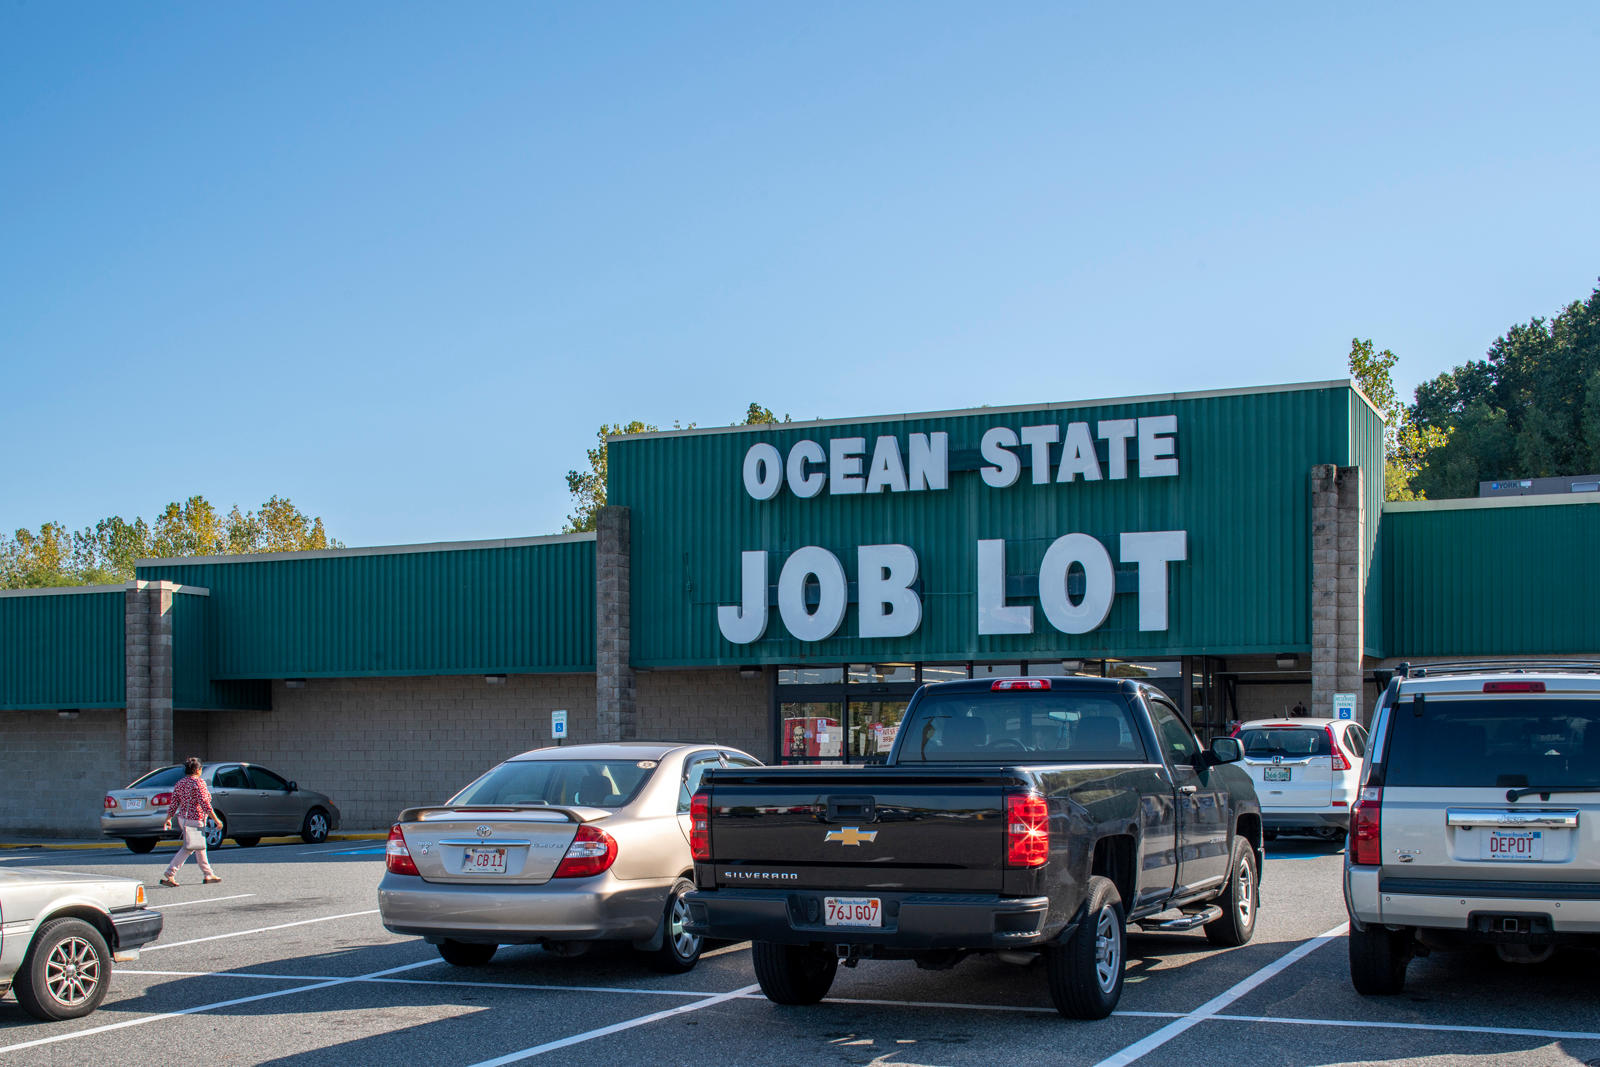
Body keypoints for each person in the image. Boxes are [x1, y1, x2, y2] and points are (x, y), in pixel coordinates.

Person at [160, 756, 221, 887]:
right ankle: (170, 873)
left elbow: (174, 803)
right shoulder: (199, 783)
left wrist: (169, 818)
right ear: (198, 770)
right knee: (190, 848)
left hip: (183, 818)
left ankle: (208, 874)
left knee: (198, 847)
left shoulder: (180, 783)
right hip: (195, 819)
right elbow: (205, 804)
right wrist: (216, 820)